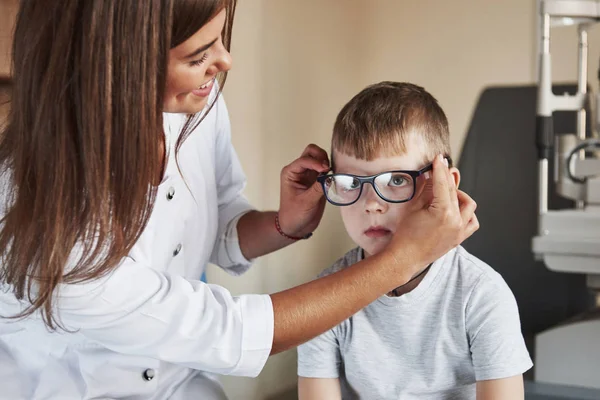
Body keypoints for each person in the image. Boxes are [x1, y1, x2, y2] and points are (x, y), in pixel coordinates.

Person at [0, 2, 479, 399]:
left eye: (221, 39)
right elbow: (229, 332)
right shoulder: (50, 234)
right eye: (199, 55)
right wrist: (408, 256)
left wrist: (284, 224)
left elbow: (211, 226)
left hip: (182, 383)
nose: (225, 62)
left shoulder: (197, 101)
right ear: (121, 64)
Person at [297, 82, 532, 400]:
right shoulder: (325, 296)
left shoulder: (482, 296)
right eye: (351, 181)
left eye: (396, 180)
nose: (371, 203)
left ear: (443, 185)